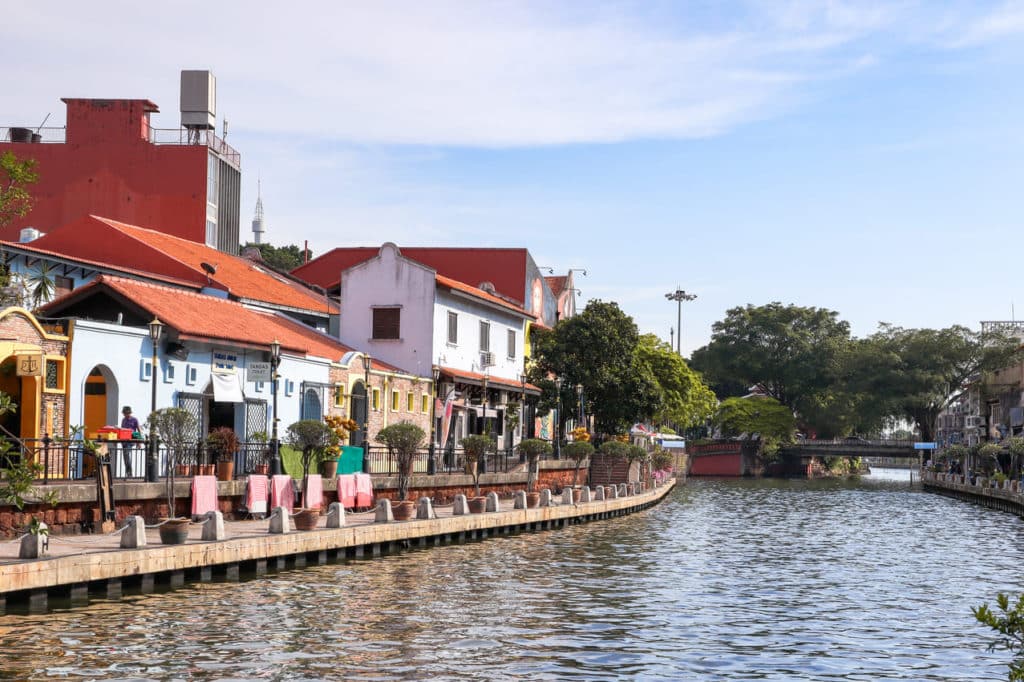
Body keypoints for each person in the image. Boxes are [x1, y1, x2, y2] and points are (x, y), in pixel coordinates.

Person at [120, 406, 140, 477]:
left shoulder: (134, 420)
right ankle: (128, 472)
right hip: (124, 440)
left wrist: (139, 442)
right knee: (125, 457)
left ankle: (129, 473)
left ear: (129, 413)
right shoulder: (123, 420)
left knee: (127, 455)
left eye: (127, 413)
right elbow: (122, 429)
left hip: (131, 440)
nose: (125, 415)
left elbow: (138, 430)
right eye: (124, 413)